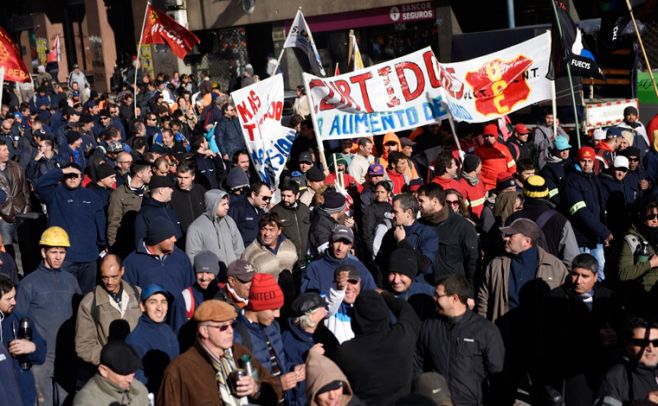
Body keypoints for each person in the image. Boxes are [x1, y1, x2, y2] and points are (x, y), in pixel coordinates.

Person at [157, 299, 281, 405]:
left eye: (232, 325)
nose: (230, 331)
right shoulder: (180, 369)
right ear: (204, 331)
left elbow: (275, 388)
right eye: (223, 327)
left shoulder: (239, 352)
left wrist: (256, 389)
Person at [538, 254, 623, 405]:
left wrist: (616, 336)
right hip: (574, 372)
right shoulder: (556, 299)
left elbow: (622, 327)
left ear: (596, 277)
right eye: (575, 274)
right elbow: (554, 337)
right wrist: (595, 338)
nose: (578, 281)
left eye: (585, 276)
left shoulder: (608, 298)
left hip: (605, 368)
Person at [15, 227, 81, 405]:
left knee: (67, 401)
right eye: (54, 252)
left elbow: (80, 317)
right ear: (44, 252)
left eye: (62, 252)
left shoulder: (71, 280)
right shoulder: (29, 283)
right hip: (41, 359)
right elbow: (17, 320)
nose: (59, 257)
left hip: (67, 355)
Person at [415, 274, 504, 405]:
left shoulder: (485, 330)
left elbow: (498, 374)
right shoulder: (429, 326)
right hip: (436, 401)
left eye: (438, 295)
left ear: (455, 298)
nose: (433, 298)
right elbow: (416, 361)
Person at [334, 290, 420, 405]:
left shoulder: (347, 352)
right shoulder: (402, 337)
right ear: (384, 312)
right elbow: (407, 310)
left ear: (356, 318)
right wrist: (386, 295)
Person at [233, 273, 303, 403]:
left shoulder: (273, 326)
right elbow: (243, 386)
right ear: (258, 306)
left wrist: (293, 369)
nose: (278, 314)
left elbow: (279, 364)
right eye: (273, 309)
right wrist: (279, 384)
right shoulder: (237, 337)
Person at [75, 254, 141, 367]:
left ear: (122, 271)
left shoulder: (137, 293)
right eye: (105, 277)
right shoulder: (89, 303)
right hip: (109, 369)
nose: (109, 282)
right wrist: (110, 358)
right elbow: (83, 347)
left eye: (114, 276)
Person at [123, 218, 194, 313]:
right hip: (149, 321)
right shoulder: (132, 262)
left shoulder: (181, 257)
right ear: (158, 238)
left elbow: (190, 289)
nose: (175, 239)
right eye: (170, 237)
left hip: (179, 320)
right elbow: (129, 297)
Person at [562, 146, 612, 278]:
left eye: (590, 161)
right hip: (582, 239)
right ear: (577, 160)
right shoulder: (571, 180)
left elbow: (600, 208)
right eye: (583, 160)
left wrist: (601, 233)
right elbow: (580, 212)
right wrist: (603, 231)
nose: (586, 164)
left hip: (595, 237)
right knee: (584, 273)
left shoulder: (593, 177)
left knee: (600, 271)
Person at [509, 175, 579, 267]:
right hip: (549, 276)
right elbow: (571, 258)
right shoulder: (560, 220)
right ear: (547, 193)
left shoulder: (513, 219)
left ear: (524, 193)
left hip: (519, 275)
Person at [282, 292, 339, 406]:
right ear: (311, 316)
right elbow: (295, 385)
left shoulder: (324, 334)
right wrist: (310, 359)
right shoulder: (288, 342)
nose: (325, 310)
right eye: (321, 308)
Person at [417, 183, 478, 288]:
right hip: (422, 289)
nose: (418, 204)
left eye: (421, 200)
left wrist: (470, 293)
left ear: (434, 202)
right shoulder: (419, 225)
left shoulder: (462, 226)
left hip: (452, 291)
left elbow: (472, 262)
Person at [0, 275, 47, 406]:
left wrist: (33, 347)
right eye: (9, 299)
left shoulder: (20, 320)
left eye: (14, 297)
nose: (14, 302)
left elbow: (42, 354)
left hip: (22, 395)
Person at [126, 285, 179, 395]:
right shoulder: (135, 340)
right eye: (153, 302)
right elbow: (138, 384)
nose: (159, 308)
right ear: (142, 306)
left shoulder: (168, 330)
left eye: (163, 302)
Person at [596, 317, 658, 405]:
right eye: (642, 343)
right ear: (627, 344)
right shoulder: (616, 377)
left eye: (656, 343)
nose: (650, 348)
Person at [302, 225, 376, 296]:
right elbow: (309, 301)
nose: (340, 248)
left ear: (350, 246)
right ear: (330, 242)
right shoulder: (314, 268)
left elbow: (372, 296)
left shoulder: (358, 267)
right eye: (337, 241)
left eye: (345, 243)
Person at [73, 340, 148, 406]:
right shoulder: (87, 402)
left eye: (132, 372)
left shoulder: (140, 390)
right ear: (103, 371)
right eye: (123, 373)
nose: (130, 379)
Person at [186, 189, 245, 270]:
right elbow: (192, 256)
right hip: (212, 278)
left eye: (227, 203)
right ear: (213, 205)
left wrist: (237, 269)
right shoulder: (196, 227)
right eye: (223, 204)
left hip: (233, 274)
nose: (227, 207)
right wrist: (205, 275)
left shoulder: (230, 221)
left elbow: (239, 248)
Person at [107, 160, 152, 256]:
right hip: (127, 247)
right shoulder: (118, 194)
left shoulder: (150, 192)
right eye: (149, 172)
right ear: (139, 174)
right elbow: (113, 223)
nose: (151, 174)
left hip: (147, 245)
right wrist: (114, 250)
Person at [241, 212, 298, 280]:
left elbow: (297, 273)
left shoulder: (289, 246)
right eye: (264, 229)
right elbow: (245, 281)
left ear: (279, 231)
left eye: (271, 230)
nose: (267, 234)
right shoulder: (249, 253)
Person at [270, 181, 311, 269]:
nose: (285, 199)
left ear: (297, 196)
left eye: (289, 196)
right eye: (283, 195)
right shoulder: (275, 212)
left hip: (306, 259)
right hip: (288, 261)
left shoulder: (305, 209)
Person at [133, 175, 182, 248]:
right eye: (169, 188)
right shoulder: (144, 214)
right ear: (161, 191)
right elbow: (140, 244)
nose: (172, 190)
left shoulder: (168, 207)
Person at [228, 181, 273, 247]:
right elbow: (229, 234)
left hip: (258, 251)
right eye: (265, 198)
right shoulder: (236, 208)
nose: (267, 201)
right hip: (242, 253)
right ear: (253, 195)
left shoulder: (261, 211)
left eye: (269, 199)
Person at [475, 123, 516, 191]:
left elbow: (512, 165)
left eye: (491, 135)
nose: (488, 138)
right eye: (486, 136)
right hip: (488, 186)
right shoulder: (479, 150)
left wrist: (509, 179)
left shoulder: (503, 148)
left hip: (504, 184)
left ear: (496, 136)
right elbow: (477, 170)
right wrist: (483, 182)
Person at [170, 160, 206, 236]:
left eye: (186, 177)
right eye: (180, 177)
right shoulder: (171, 193)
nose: (182, 181)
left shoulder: (200, 189)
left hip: (203, 233)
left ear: (193, 177)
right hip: (182, 236)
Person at [539, 135, 572, 205]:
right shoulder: (548, 169)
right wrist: (564, 206)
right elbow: (553, 193)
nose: (565, 152)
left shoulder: (572, 162)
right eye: (561, 150)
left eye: (567, 149)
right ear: (554, 150)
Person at [457, 154, 487, 219]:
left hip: (484, 217)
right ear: (475, 169)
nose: (481, 165)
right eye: (480, 164)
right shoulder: (461, 185)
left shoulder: (479, 179)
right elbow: (464, 208)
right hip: (474, 220)